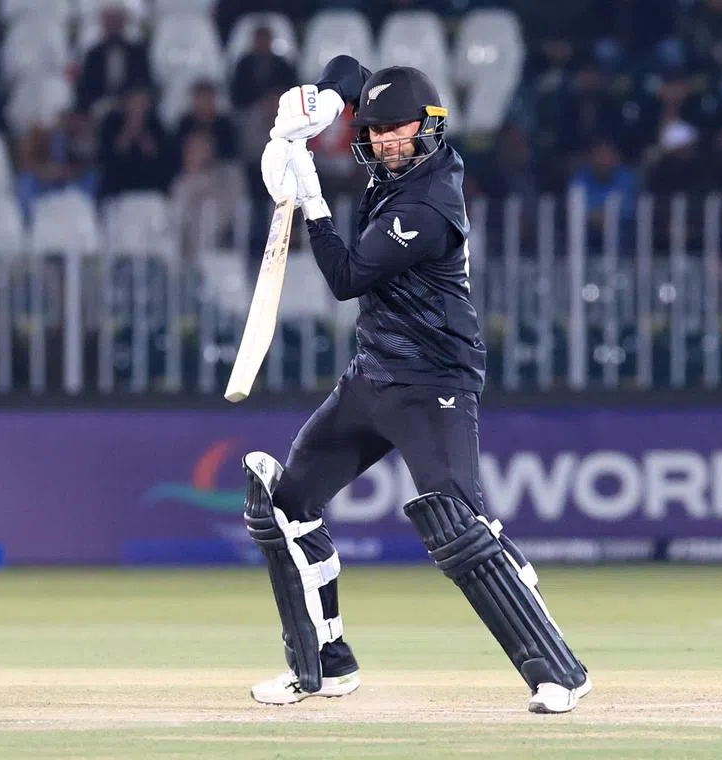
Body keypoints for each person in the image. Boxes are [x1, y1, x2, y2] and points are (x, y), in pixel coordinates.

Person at [241, 56, 592, 714]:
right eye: (374, 131)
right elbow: (352, 68)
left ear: (429, 127)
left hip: (432, 383)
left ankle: (558, 672)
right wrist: (320, 104)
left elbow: (346, 278)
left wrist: (308, 190)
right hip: (372, 374)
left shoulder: (430, 204)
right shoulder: (397, 161)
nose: (384, 142)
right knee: (284, 507)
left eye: (395, 130)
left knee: (461, 527)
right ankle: (324, 665)